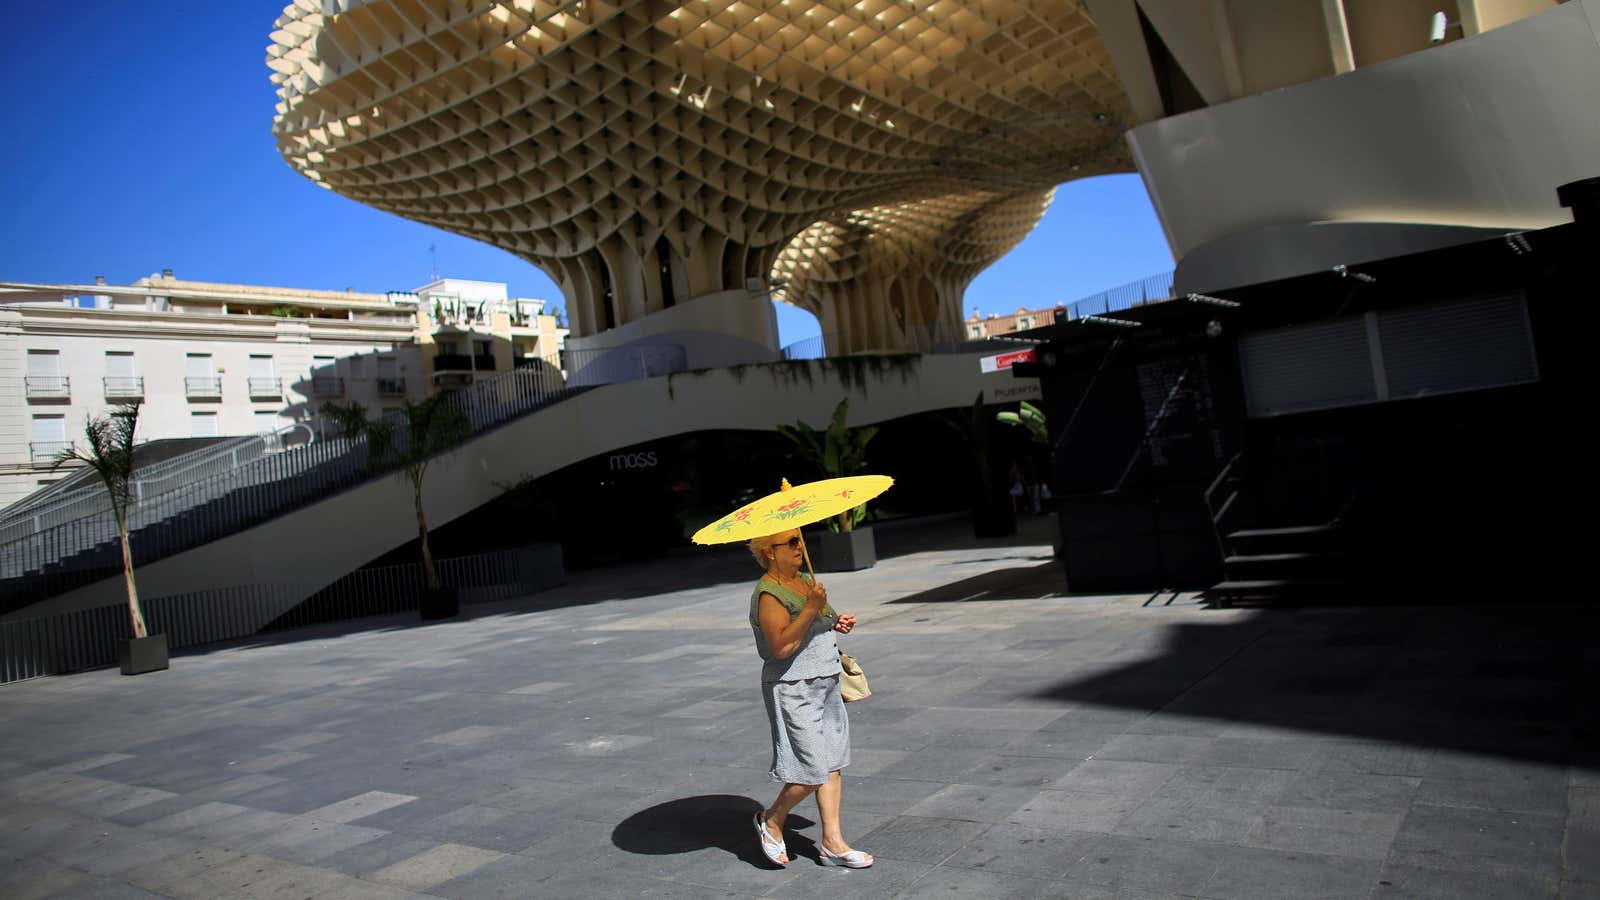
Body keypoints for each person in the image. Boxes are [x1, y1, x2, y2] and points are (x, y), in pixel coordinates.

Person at [747, 528, 873, 869]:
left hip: (825, 681)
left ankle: (833, 843)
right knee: (810, 771)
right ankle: (771, 820)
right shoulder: (768, 595)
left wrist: (837, 621)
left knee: (831, 763)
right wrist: (812, 607)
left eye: (799, 540)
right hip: (793, 687)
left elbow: (822, 621)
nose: (799, 546)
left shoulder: (803, 580)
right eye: (790, 542)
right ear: (769, 551)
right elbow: (781, 647)